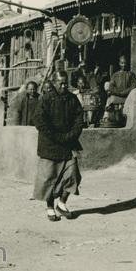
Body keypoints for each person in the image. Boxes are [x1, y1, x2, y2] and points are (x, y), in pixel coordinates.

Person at [33, 71, 84, 221]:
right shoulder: (46, 99)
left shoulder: (72, 99)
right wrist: (55, 137)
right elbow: (39, 121)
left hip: (68, 144)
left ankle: (61, 204)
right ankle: (50, 207)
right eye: (60, 83)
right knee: (49, 178)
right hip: (50, 145)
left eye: (65, 83)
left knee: (73, 175)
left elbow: (79, 119)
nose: (63, 85)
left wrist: (70, 136)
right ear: (54, 83)